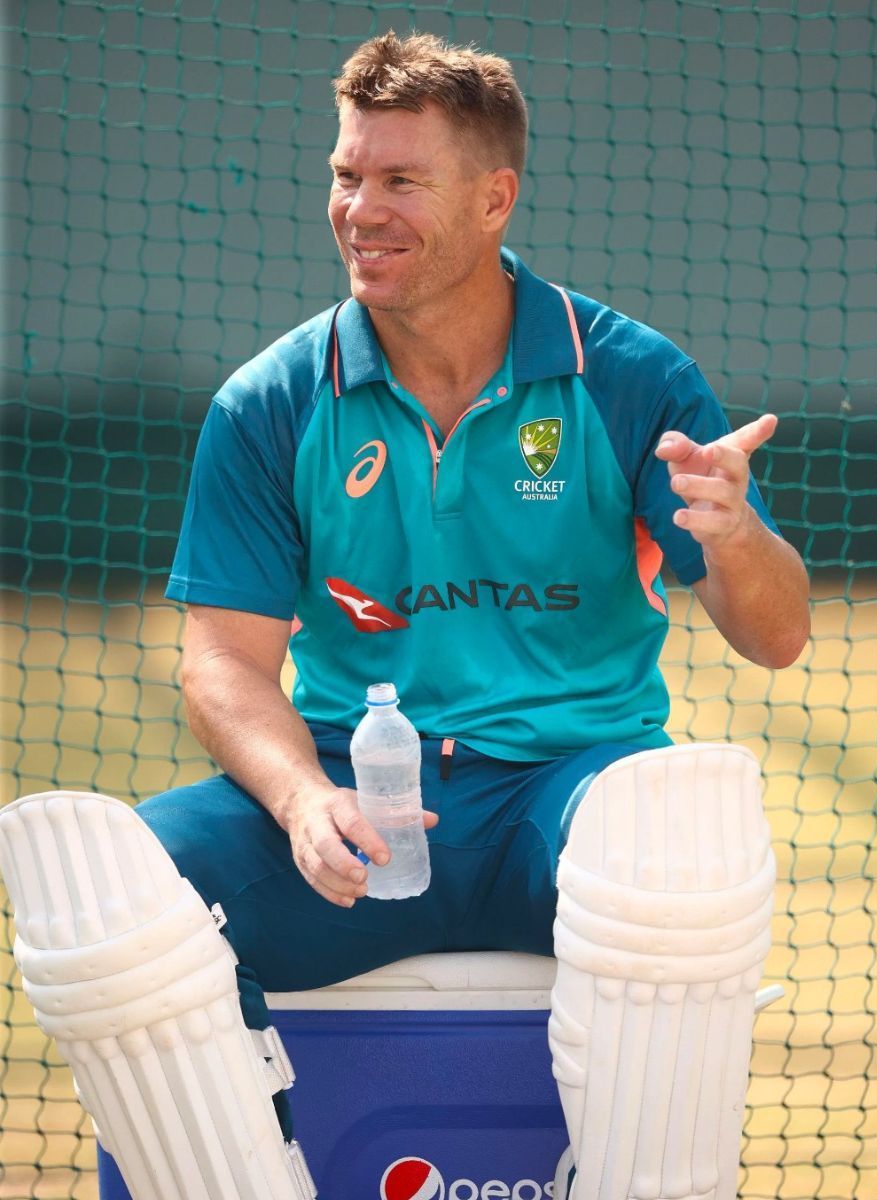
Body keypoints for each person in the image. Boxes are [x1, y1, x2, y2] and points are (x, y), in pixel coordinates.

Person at [0, 34, 808, 1200]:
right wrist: (302, 798)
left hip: (565, 797)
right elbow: (223, 665)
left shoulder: (629, 375)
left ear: (494, 199)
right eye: (346, 175)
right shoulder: (271, 399)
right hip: (356, 809)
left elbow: (774, 636)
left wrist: (736, 536)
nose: (358, 210)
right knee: (101, 886)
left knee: (682, 832)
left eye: (398, 182)